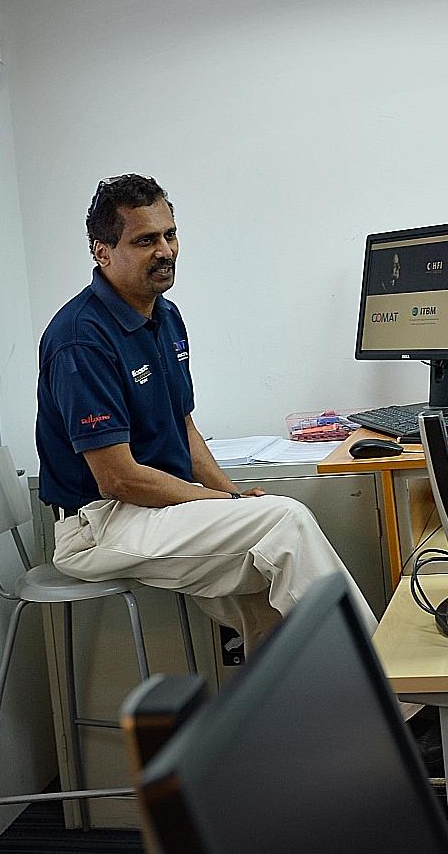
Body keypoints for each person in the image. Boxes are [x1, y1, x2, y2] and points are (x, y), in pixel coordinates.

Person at [35, 174, 374, 649]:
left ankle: (291, 693)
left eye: (170, 235)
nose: (165, 251)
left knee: (270, 579)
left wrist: (230, 494)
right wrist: (225, 504)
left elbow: (185, 427)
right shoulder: (80, 339)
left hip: (154, 509)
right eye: (145, 240)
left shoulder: (165, 316)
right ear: (102, 252)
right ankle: (387, 683)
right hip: (101, 524)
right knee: (285, 523)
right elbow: (119, 480)